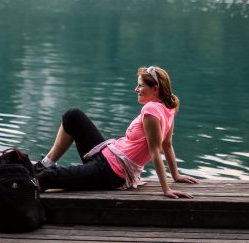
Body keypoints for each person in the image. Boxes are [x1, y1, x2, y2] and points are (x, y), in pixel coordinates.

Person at [35, 65, 198, 199]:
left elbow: (157, 150)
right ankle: (45, 163)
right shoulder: (169, 108)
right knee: (73, 116)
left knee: (47, 178)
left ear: (155, 89)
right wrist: (175, 175)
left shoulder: (151, 110)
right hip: (106, 155)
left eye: (140, 85)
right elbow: (167, 144)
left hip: (111, 172)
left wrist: (166, 189)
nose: (136, 89)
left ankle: (30, 181)